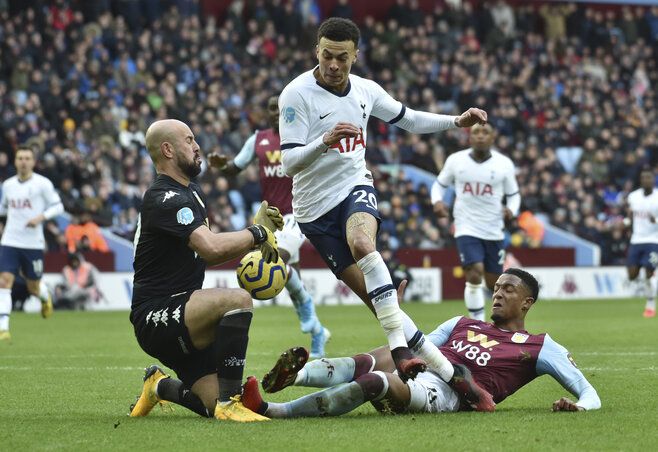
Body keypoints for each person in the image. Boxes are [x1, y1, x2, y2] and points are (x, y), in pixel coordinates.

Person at [278, 16, 491, 405]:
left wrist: (455, 122)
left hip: (354, 187)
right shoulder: (296, 95)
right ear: (317, 52)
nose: (334, 65)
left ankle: (400, 354)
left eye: (342, 57)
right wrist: (324, 141)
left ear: (355, 56)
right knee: (379, 302)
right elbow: (290, 163)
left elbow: (408, 119)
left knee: (362, 241)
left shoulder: (365, 90)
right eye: (327, 56)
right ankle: (452, 376)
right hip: (313, 212)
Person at [240, 268, 601, 418]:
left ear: (527, 303)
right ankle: (294, 376)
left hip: (453, 394)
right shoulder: (462, 322)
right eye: (496, 289)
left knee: (374, 382)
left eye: (509, 289)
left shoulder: (540, 346)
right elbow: (417, 345)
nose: (498, 295)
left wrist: (580, 407)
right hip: (426, 369)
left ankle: (273, 410)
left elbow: (590, 393)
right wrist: (396, 314)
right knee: (377, 358)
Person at [128, 119, 283, 422]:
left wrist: (251, 235)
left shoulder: (192, 192)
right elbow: (211, 247)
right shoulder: (165, 198)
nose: (198, 146)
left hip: (187, 315)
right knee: (238, 300)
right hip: (156, 314)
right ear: (168, 150)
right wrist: (257, 233)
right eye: (189, 140)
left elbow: (204, 256)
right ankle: (230, 402)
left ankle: (158, 386)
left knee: (207, 406)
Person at [208, 95, 330, 358]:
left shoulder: (304, 136)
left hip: (298, 212)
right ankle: (319, 332)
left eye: (281, 107)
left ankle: (308, 308)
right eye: (271, 107)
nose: (276, 112)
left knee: (274, 261)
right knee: (291, 281)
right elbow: (236, 167)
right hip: (269, 218)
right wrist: (222, 165)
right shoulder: (258, 139)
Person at [431, 122, 520, 321]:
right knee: (473, 274)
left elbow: (514, 195)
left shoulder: (504, 164)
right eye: (476, 132)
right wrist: (437, 201)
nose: (480, 136)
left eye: (485, 132)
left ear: (492, 138)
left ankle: (502, 323)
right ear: (469, 137)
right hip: (465, 226)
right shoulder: (456, 160)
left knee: (493, 283)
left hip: (493, 229)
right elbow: (438, 185)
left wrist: (511, 210)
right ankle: (478, 325)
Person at [0, 147, 63, 340]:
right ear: (16, 161)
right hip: (10, 240)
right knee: (4, 281)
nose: (24, 162)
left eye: (27, 158)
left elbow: (58, 206)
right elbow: (3, 209)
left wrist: (40, 217)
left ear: (33, 162)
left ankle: (44, 296)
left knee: (33, 287)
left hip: (33, 243)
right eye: (20, 158)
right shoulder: (8, 185)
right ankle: (3, 328)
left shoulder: (42, 184)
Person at [624, 167, 658, 318]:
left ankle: (650, 304)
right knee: (632, 275)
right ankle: (650, 282)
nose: (646, 180)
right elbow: (631, 213)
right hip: (636, 239)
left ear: (653, 179)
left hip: (653, 240)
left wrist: (655, 220)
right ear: (640, 180)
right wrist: (626, 221)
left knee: (648, 273)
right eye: (643, 178)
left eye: (648, 177)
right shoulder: (633, 196)